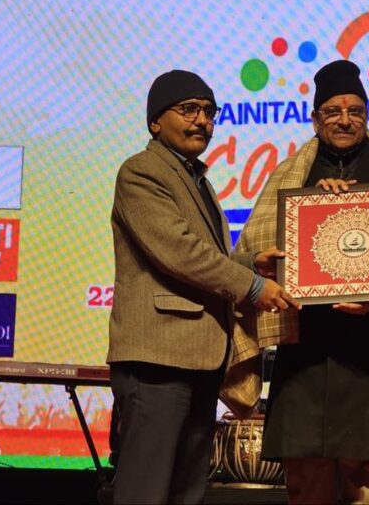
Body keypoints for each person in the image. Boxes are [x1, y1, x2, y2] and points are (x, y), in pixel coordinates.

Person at [107, 70, 297, 504]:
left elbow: (205, 254)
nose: (202, 120)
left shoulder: (197, 179)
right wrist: (253, 285)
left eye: (210, 112)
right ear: (156, 121)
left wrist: (251, 263)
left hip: (198, 359)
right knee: (145, 492)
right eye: (189, 109)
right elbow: (179, 252)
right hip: (158, 359)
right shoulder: (141, 172)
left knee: (187, 492)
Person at [236, 60, 369, 504]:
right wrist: (312, 211)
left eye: (356, 111)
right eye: (333, 111)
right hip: (307, 355)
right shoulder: (292, 176)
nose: (345, 120)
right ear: (315, 118)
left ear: (367, 116)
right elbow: (252, 251)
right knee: (306, 485)